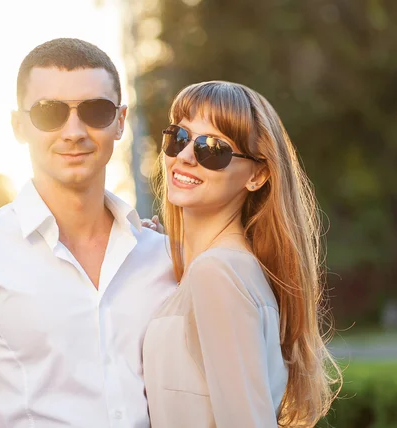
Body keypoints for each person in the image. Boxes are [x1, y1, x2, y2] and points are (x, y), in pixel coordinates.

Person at [0, 38, 177, 428]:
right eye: (50, 112)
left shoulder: (166, 257)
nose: (73, 131)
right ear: (19, 126)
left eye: (95, 111)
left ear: (120, 121)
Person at [142, 81, 341, 427]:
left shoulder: (216, 273)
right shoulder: (227, 268)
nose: (185, 156)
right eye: (179, 137)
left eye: (212, 149)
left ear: (258, 174)